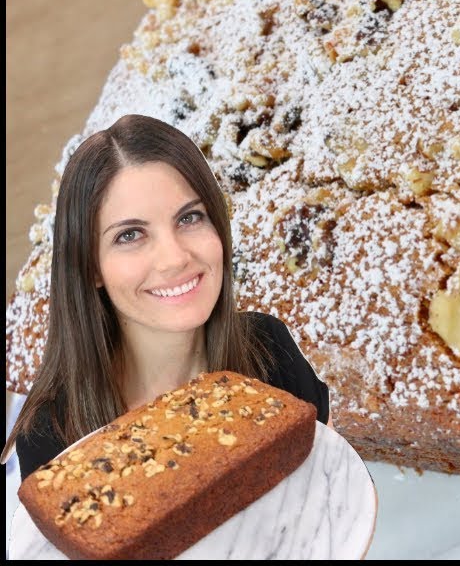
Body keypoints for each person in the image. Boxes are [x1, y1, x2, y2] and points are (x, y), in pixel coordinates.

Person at [2, 114, 329, 480]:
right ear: (91, 266)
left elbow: (332, 490)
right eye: (130, 235)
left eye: (189, 218)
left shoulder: (270, 351)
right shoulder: (51, 435)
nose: (174, 259)